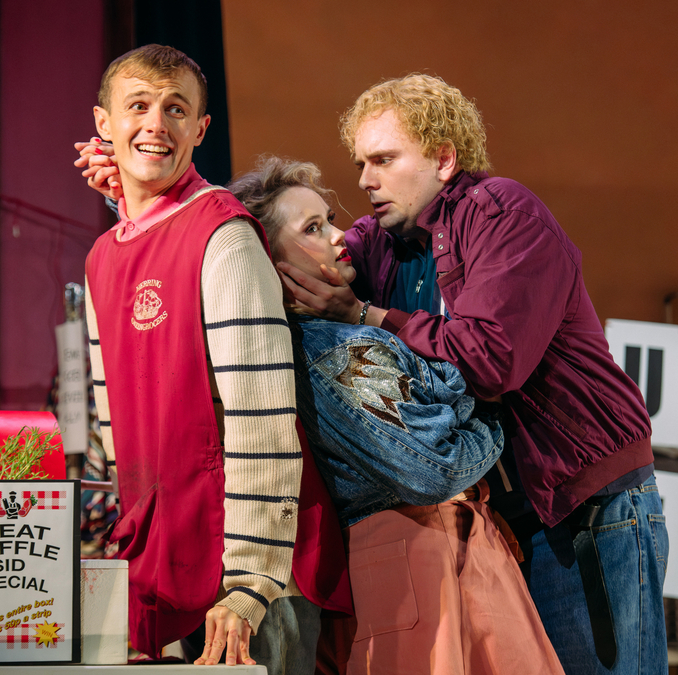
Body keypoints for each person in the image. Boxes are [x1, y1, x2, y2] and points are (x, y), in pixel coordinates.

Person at [275, 74, 669, 674]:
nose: (364, 180)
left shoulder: (503, 213)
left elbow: (491, 360)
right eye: (360, 162)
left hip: (587, 506)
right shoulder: (380, 240)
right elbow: (277, 246)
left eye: (383, 159)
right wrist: (146, 189)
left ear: (443, 158)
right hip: (505, 520)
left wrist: (366, 315)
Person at [227, 156, 564, 675]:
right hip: (417, 561)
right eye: (314, 228)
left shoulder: (333, 341)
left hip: (435, 556)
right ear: (271, 264)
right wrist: (491, 413)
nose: (341, 237)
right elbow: (437, 469)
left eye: (330, 220)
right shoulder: (336, 350)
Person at [79, 45, 350, 674]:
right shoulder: (103, 256)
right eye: (138, 106)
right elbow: (113, 430)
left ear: (200, 129)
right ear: (103, 123)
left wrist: (251, 582)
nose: (156, 124)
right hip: (165, 568)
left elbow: (261, 412)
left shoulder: (222, 235)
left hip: (249, 580)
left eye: (176, 109)